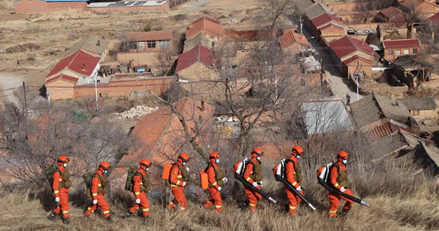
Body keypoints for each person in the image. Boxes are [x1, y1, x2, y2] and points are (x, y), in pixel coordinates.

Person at [328, 151, 354, 217]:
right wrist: (340, 188)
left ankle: (343, 215)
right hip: (335, 190)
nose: (346, 160)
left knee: (351, 200)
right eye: (345, 159)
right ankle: (331, 219)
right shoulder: (335, 167)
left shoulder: (343, 166)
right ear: (340, 158)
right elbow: (332, 181)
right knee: (334, 205)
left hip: (343, 188)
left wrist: (342, 188)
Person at [48, 155, 72, 224]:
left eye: (66, 162)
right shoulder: (57, 173)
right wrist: (57, 196)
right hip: (61, 191)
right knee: (64, 205)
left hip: (64, 191)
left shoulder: (64, 170)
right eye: (65, 162)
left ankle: (53, 215)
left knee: (59, 205)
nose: (66, 164)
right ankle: (66, 218)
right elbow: (55, 185)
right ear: (61, 163)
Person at [284, 145, 304, 215]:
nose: (300, 155)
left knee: (299, 197)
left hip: (294, 184)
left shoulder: (294, 161)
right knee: (293, 201)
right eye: (300, 154)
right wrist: (297, 186)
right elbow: (290, 177)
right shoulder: (290, 162)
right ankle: (292, 215)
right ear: (295, 153)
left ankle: (288, 209)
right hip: (290, 184)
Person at [243, 147, 264, 212]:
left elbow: (256, 174)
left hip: (255, 184)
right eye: (259, 155)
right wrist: (253, 183)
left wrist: (259, 182)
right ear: (256, 155)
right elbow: (246, 176)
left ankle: (246, 205)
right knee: (253, 199)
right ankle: (251, 213)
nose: (260, 157)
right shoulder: (251, 163)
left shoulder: (257, 163)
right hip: (250, 184)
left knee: (259, 196)